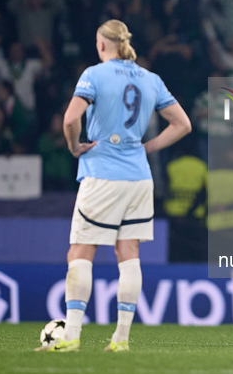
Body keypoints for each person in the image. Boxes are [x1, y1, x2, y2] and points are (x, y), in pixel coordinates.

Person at [35, 19, 191, 353]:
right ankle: (120, 339)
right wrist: (146, 148)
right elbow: (183, 124)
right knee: (129, 254)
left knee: (81, 251)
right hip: (138, 177)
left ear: (103, 44)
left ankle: (71, 336)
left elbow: (69, 119)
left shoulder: (94, 74)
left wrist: (75, 146)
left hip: (103, 173)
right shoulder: (151, 79)